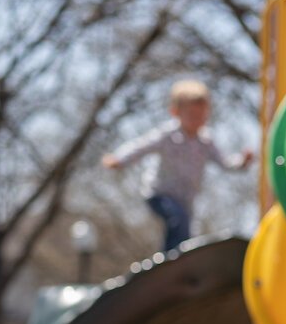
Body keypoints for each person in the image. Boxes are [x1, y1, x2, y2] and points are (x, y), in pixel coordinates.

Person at [102, 79, 254, 254]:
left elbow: (224, 162)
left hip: (185, 200)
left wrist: (242, 162)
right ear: (176, 112)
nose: (197, 121)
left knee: (186, 233)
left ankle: (179, 262)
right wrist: (119, 159)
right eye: (192, 115)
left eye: (201, 116)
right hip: (160, 193)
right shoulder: (168, 135)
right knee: (177, 219)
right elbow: (141, 146)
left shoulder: (205, 141)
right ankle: (168, 260)